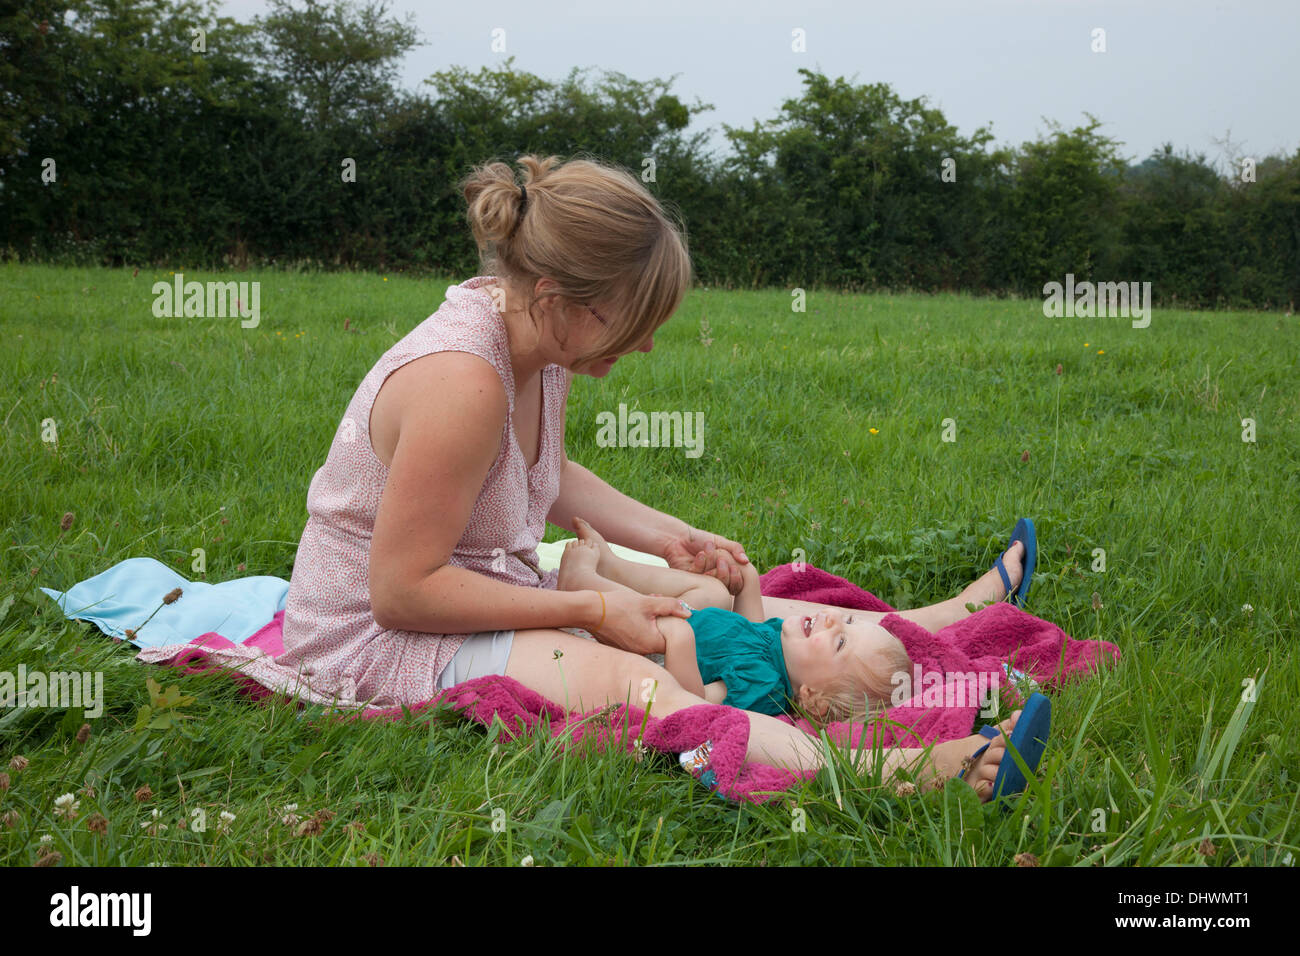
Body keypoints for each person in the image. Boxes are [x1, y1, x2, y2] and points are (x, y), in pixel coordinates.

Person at [279, 153, 1030, 799]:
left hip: (481, 591)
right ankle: (893, 771)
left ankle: (951, 614)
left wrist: (673, 535)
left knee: (737, 605)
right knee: (631, 688)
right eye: (634, 321)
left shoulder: (532, 336)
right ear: (557, 300)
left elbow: (545, 472)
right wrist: (595, 612)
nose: (643, 347)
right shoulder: (463, 385)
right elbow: (402, 590)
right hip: (375, 637)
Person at [556, 517, 1026, 723]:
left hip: (644, 642)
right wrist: (750, 581)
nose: (827, 621)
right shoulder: (776, 648)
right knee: (716, 592)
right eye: (845, 624)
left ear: (813, 701)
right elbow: (750, 623)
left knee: (675, 613)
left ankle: (585, 584)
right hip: (687, 616)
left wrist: (677, 642)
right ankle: (613, 568)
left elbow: (697, 702)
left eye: (838, 642)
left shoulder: (761, 690)